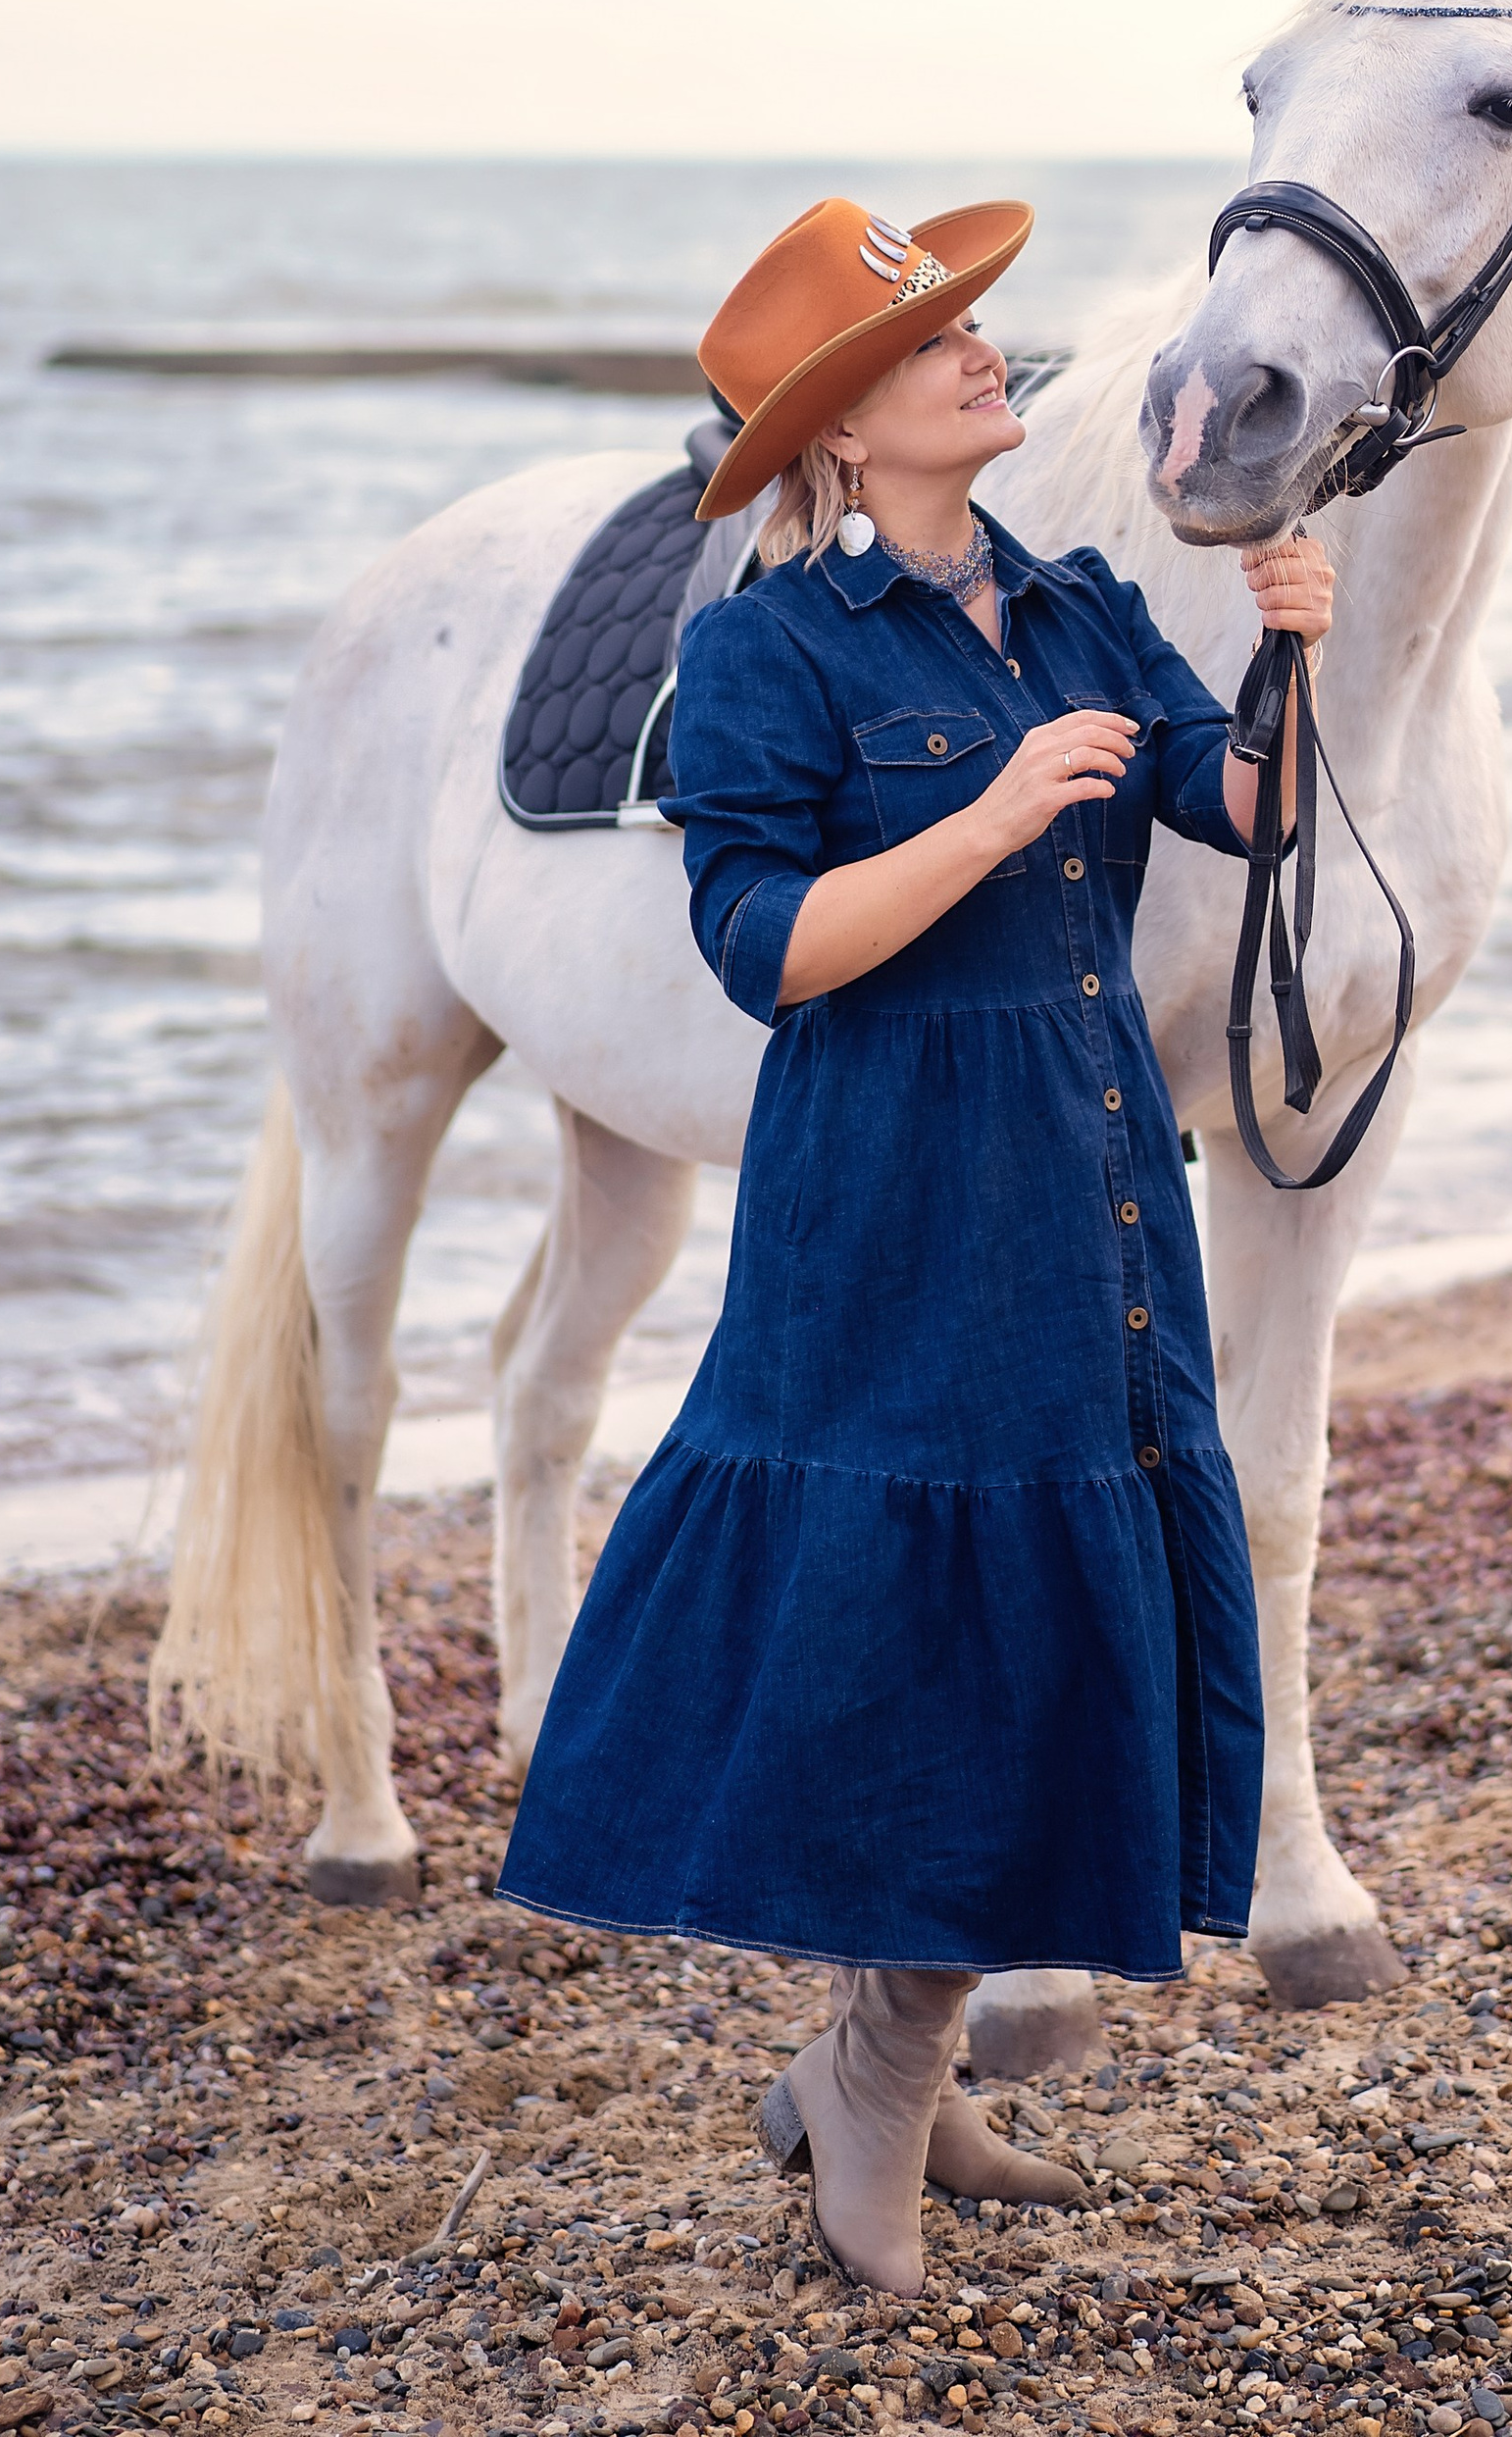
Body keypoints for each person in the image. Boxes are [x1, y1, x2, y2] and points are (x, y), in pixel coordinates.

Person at [497, 195, 1332, 2294]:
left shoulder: (1067, 606)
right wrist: (981, 820)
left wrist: (1292, 652)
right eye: (934, 341)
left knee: (1044, 1633)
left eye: (974, 328)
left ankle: (886, 2060)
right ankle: (875, 2080)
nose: (987, 353)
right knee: (924, 1649)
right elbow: (764, 951)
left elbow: (1248, 810)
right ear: (837, 434)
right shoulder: (758, 651)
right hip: (889, 1204)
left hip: (1094, 1181)